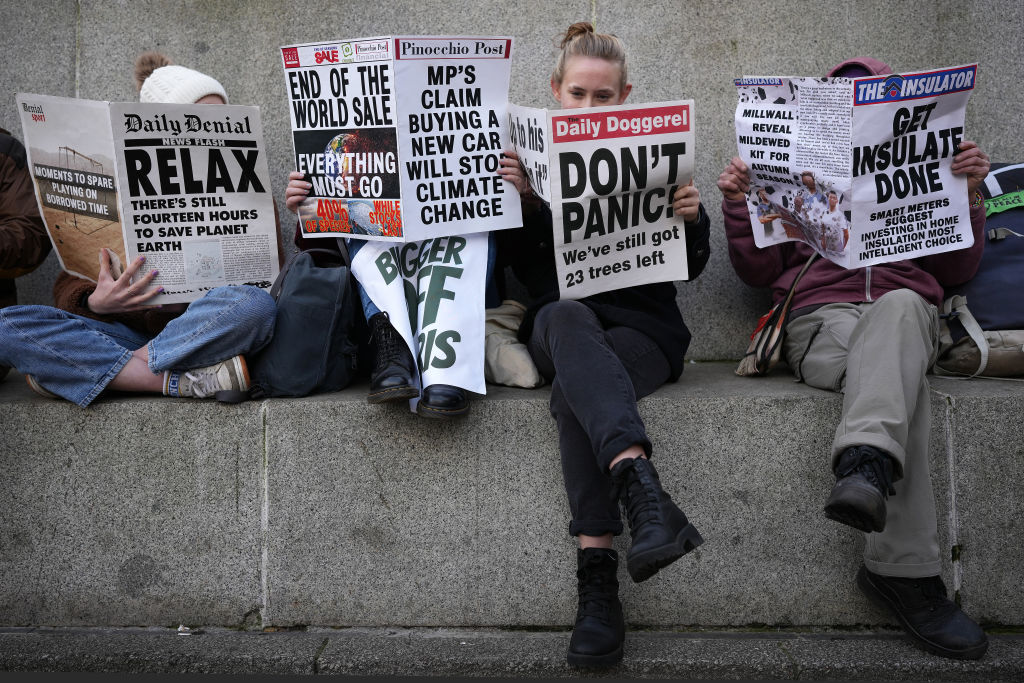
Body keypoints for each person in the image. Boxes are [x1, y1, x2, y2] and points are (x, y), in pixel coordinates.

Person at [719, 57, 991, 661]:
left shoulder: (932, 172)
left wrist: (966, 194)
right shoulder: (796, 169)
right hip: (822, 325)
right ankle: (902, 567)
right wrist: (742, 204)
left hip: (904, 317)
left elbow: (957, 271)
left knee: (897, 308)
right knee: (899, 383)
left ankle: (866, 468)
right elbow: (757, 271)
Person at [496, 22, 711, 668]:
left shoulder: (657, 155)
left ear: (626, 97)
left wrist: (692, 221)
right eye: (578, 94)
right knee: (563, 316)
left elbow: (690, 268)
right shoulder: (521, 166)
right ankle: (642, 489)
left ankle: (598, 580)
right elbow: (504, 267)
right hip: (558, 326)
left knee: (574, 390)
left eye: (604, 96)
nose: (590, 107)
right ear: (555, 92)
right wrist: (527, 203)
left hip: (642, 332)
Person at [0, 52, 277, 406]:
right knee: (8, 326)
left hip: (204, 334)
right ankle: (171, 379)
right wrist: (95, 302)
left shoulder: (248, 189)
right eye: (198, 119)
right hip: (121, 333)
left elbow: (264, 284)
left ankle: (100, 371)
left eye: (221, 117)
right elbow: (72, 277)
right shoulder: (113, 183)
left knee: (253, 305)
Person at [284, 169, 500, 419]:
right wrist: (308, 208)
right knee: (362, 209)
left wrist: (521, 199)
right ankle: (392, 343)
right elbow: (321, 255)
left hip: (458, 248)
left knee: (472, 206)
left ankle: (448, 363)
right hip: (372, 320)